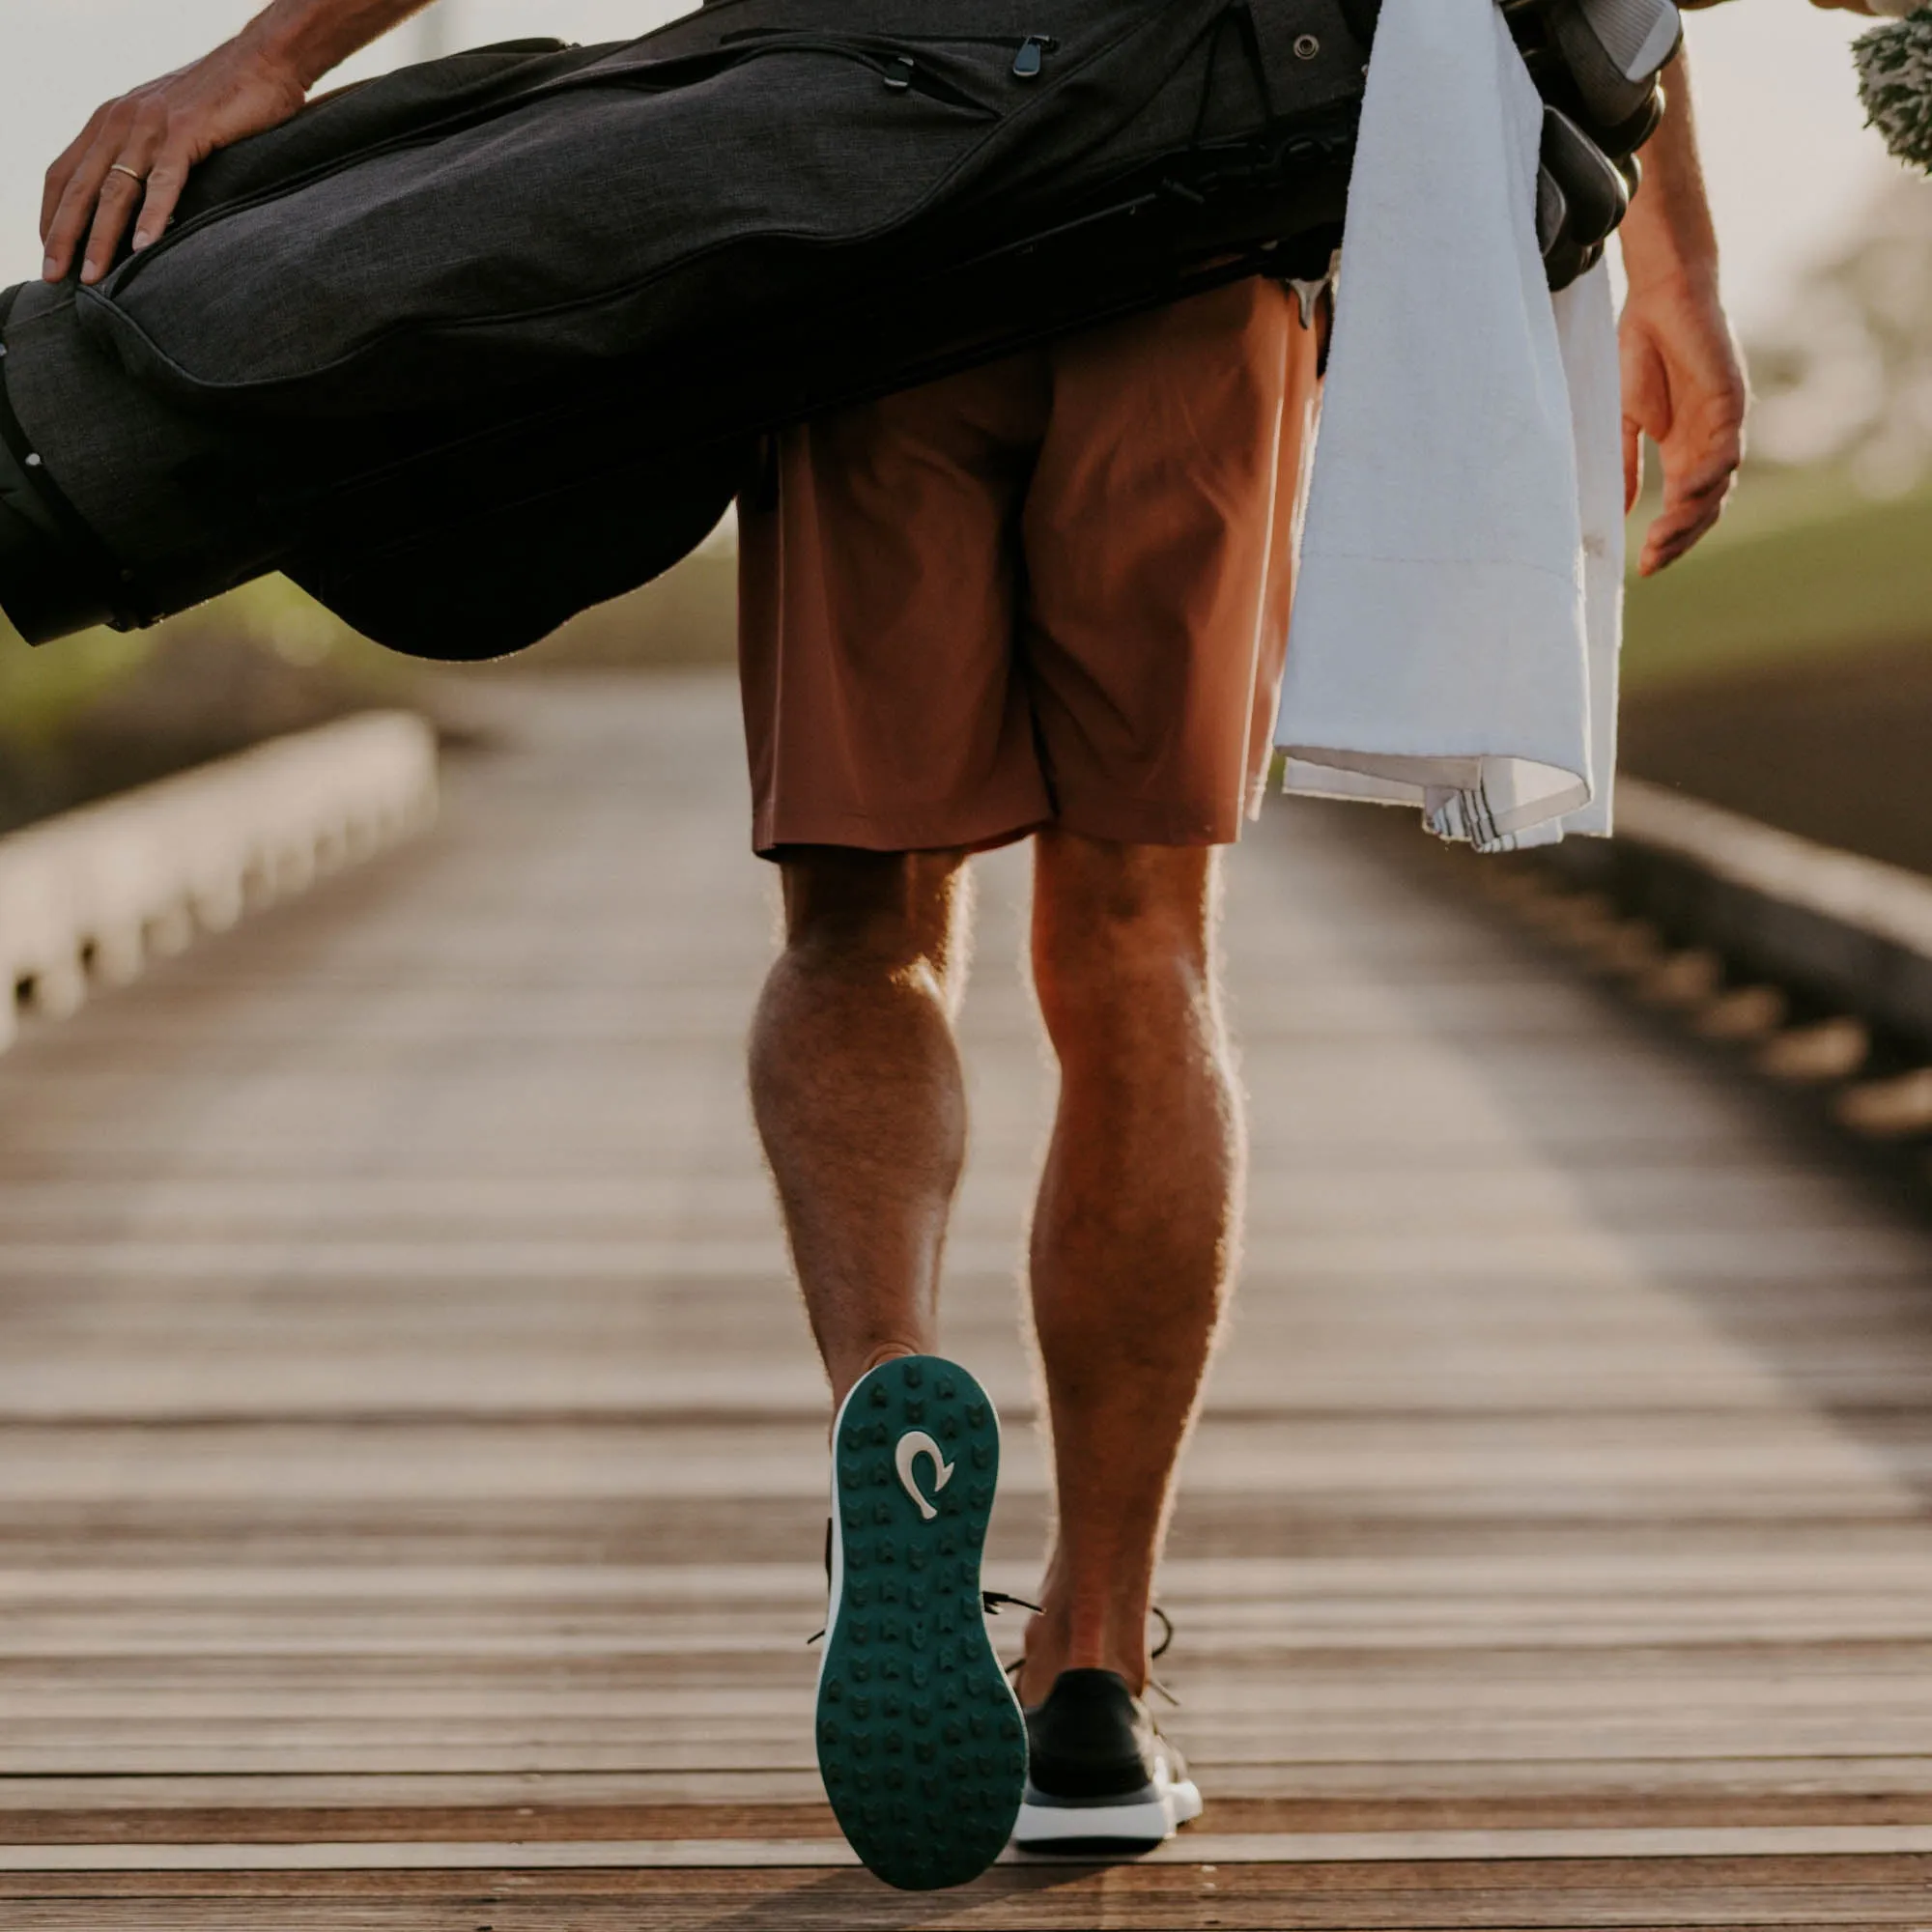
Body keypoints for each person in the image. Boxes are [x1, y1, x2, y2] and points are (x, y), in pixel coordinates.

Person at [40, 0, 1747, 1891]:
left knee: (862, 929)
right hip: (1200, 209)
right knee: (1139, 946)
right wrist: (1669, 248)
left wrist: (268, 61)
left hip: (872, 211)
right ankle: (1092, 1666)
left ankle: (892, 1416)